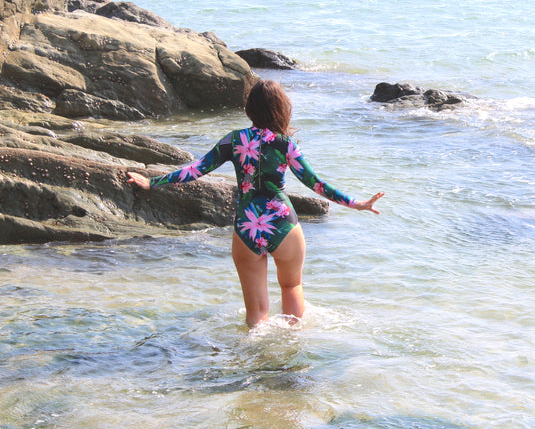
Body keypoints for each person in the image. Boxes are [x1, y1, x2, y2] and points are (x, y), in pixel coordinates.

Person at [127, 79, 384, 327]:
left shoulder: (234, 140)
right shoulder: (286, 144)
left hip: (247, 225)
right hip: (282, 224)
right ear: (282, 109)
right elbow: (315, 183)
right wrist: (356, 203)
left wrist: (153, 183)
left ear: (250, 108)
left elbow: (196, 170)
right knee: (291, 286)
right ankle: (292, 355)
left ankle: (253, 362)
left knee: (256, 315)